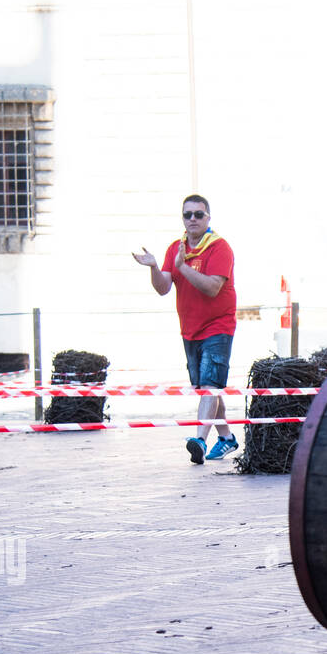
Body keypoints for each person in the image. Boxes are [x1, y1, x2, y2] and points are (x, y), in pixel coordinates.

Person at [132, 195, 238, 464]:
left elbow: (212, 287)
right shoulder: (175, 249)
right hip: (190, 329)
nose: (192, 219)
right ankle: (226, 438)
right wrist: (155, 267)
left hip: (219, 326)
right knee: (208, 388)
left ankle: (200, 440)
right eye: (187, 214)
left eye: (198, 215)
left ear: (208, 218)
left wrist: (183, 267)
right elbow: (163, 288)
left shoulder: (219, 248)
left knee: (209, 385)